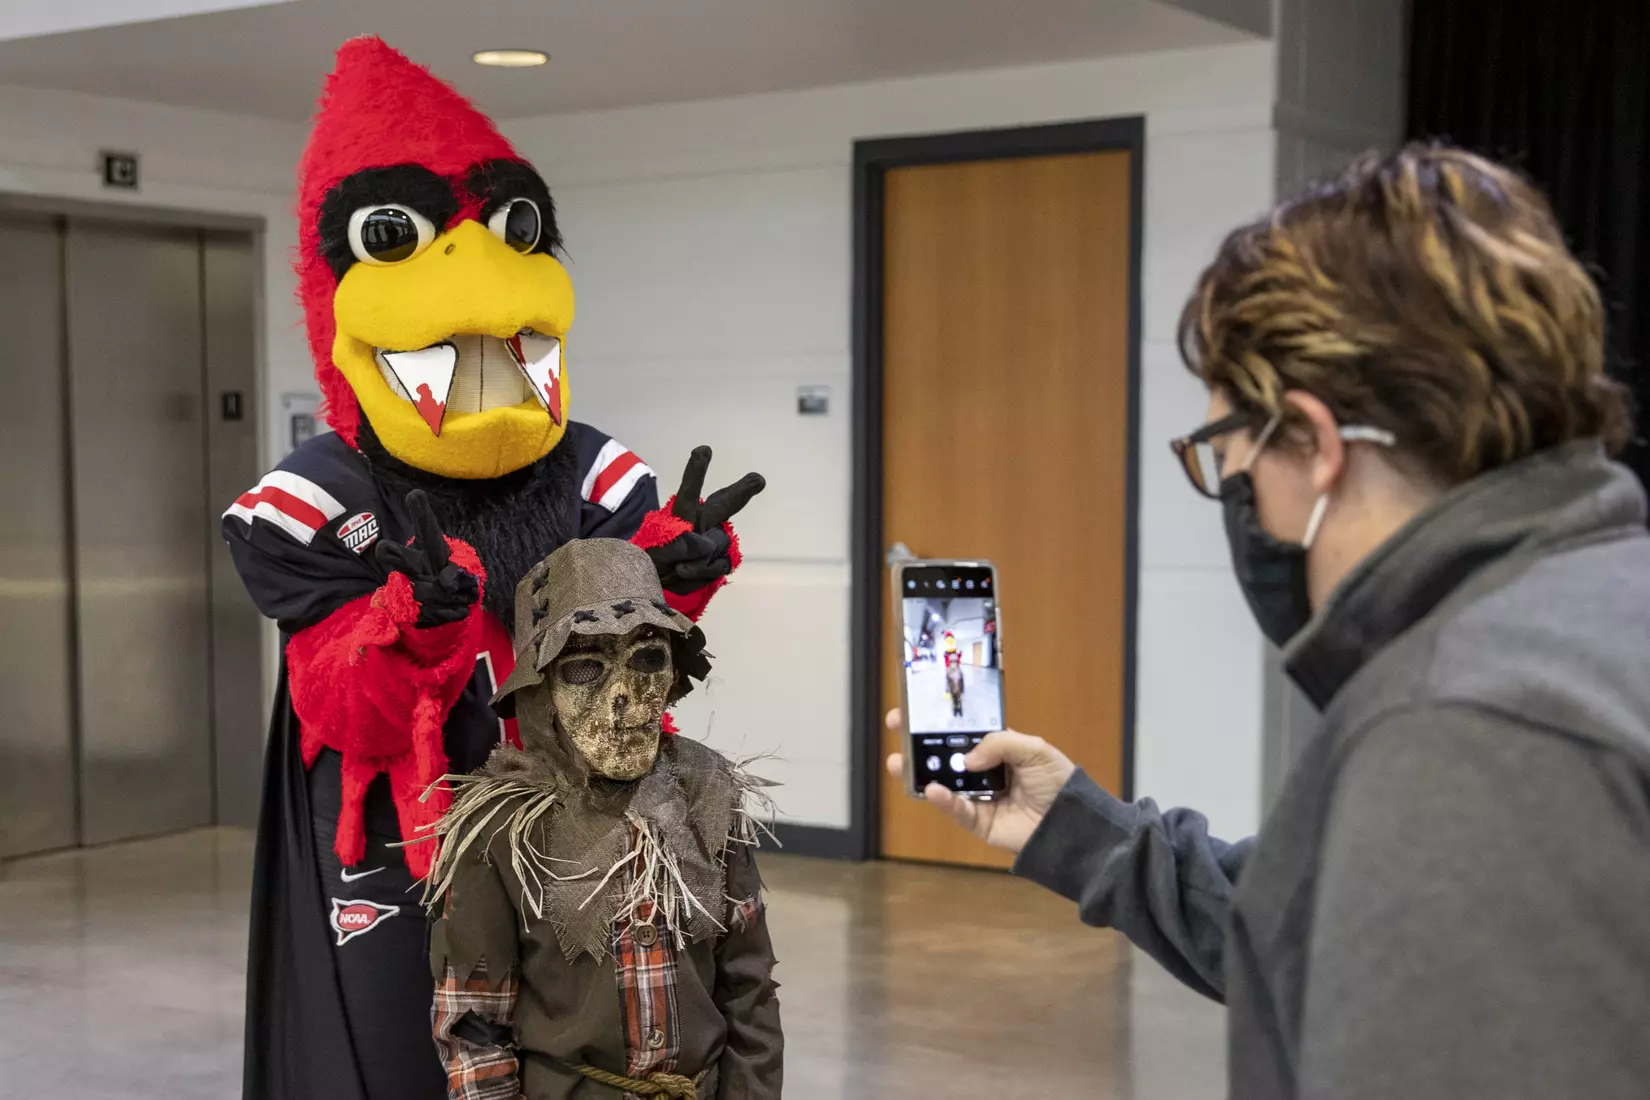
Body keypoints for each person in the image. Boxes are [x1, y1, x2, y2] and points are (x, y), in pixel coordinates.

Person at [890, 144, 1650, 1099]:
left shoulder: (1465, 731)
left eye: (1226, 452)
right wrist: (1081, 830)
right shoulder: (1587, 604)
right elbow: (1321, 922)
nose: (1236, 499)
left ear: (1318, 443)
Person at [222, 38, 763, 1100]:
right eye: (399, 234)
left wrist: (674, 574)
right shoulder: (320, 496)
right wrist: (412, 627)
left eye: (516, 227)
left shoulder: (589, 470)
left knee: (577, 1055)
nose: (484, 270)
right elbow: (346, 706)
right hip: (397, 840)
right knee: (408, 1058)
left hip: (574, 831)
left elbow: (620, 635)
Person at [422, 538, 782, 1099]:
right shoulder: (500, 829)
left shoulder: (706, 794)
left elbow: (749, 987)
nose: (625, 696)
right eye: (587, 669)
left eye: (646, 659)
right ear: (542, 692)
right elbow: (475, 1027)